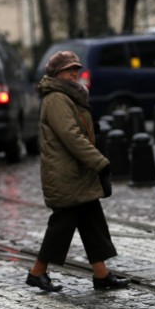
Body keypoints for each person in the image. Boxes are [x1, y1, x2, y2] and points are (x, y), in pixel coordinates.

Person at [26, 50, 130, 293]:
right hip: (65, 174)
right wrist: (99, 162)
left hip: (77, 171)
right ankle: (36, 272)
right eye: (68, 69)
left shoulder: (70, 96)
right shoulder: (56, 99)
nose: (74, 72)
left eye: (76, 68)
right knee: (62, 224)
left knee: (92, 221)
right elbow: (71, 136)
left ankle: (101, 274)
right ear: (56, 73)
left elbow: (77, 130)